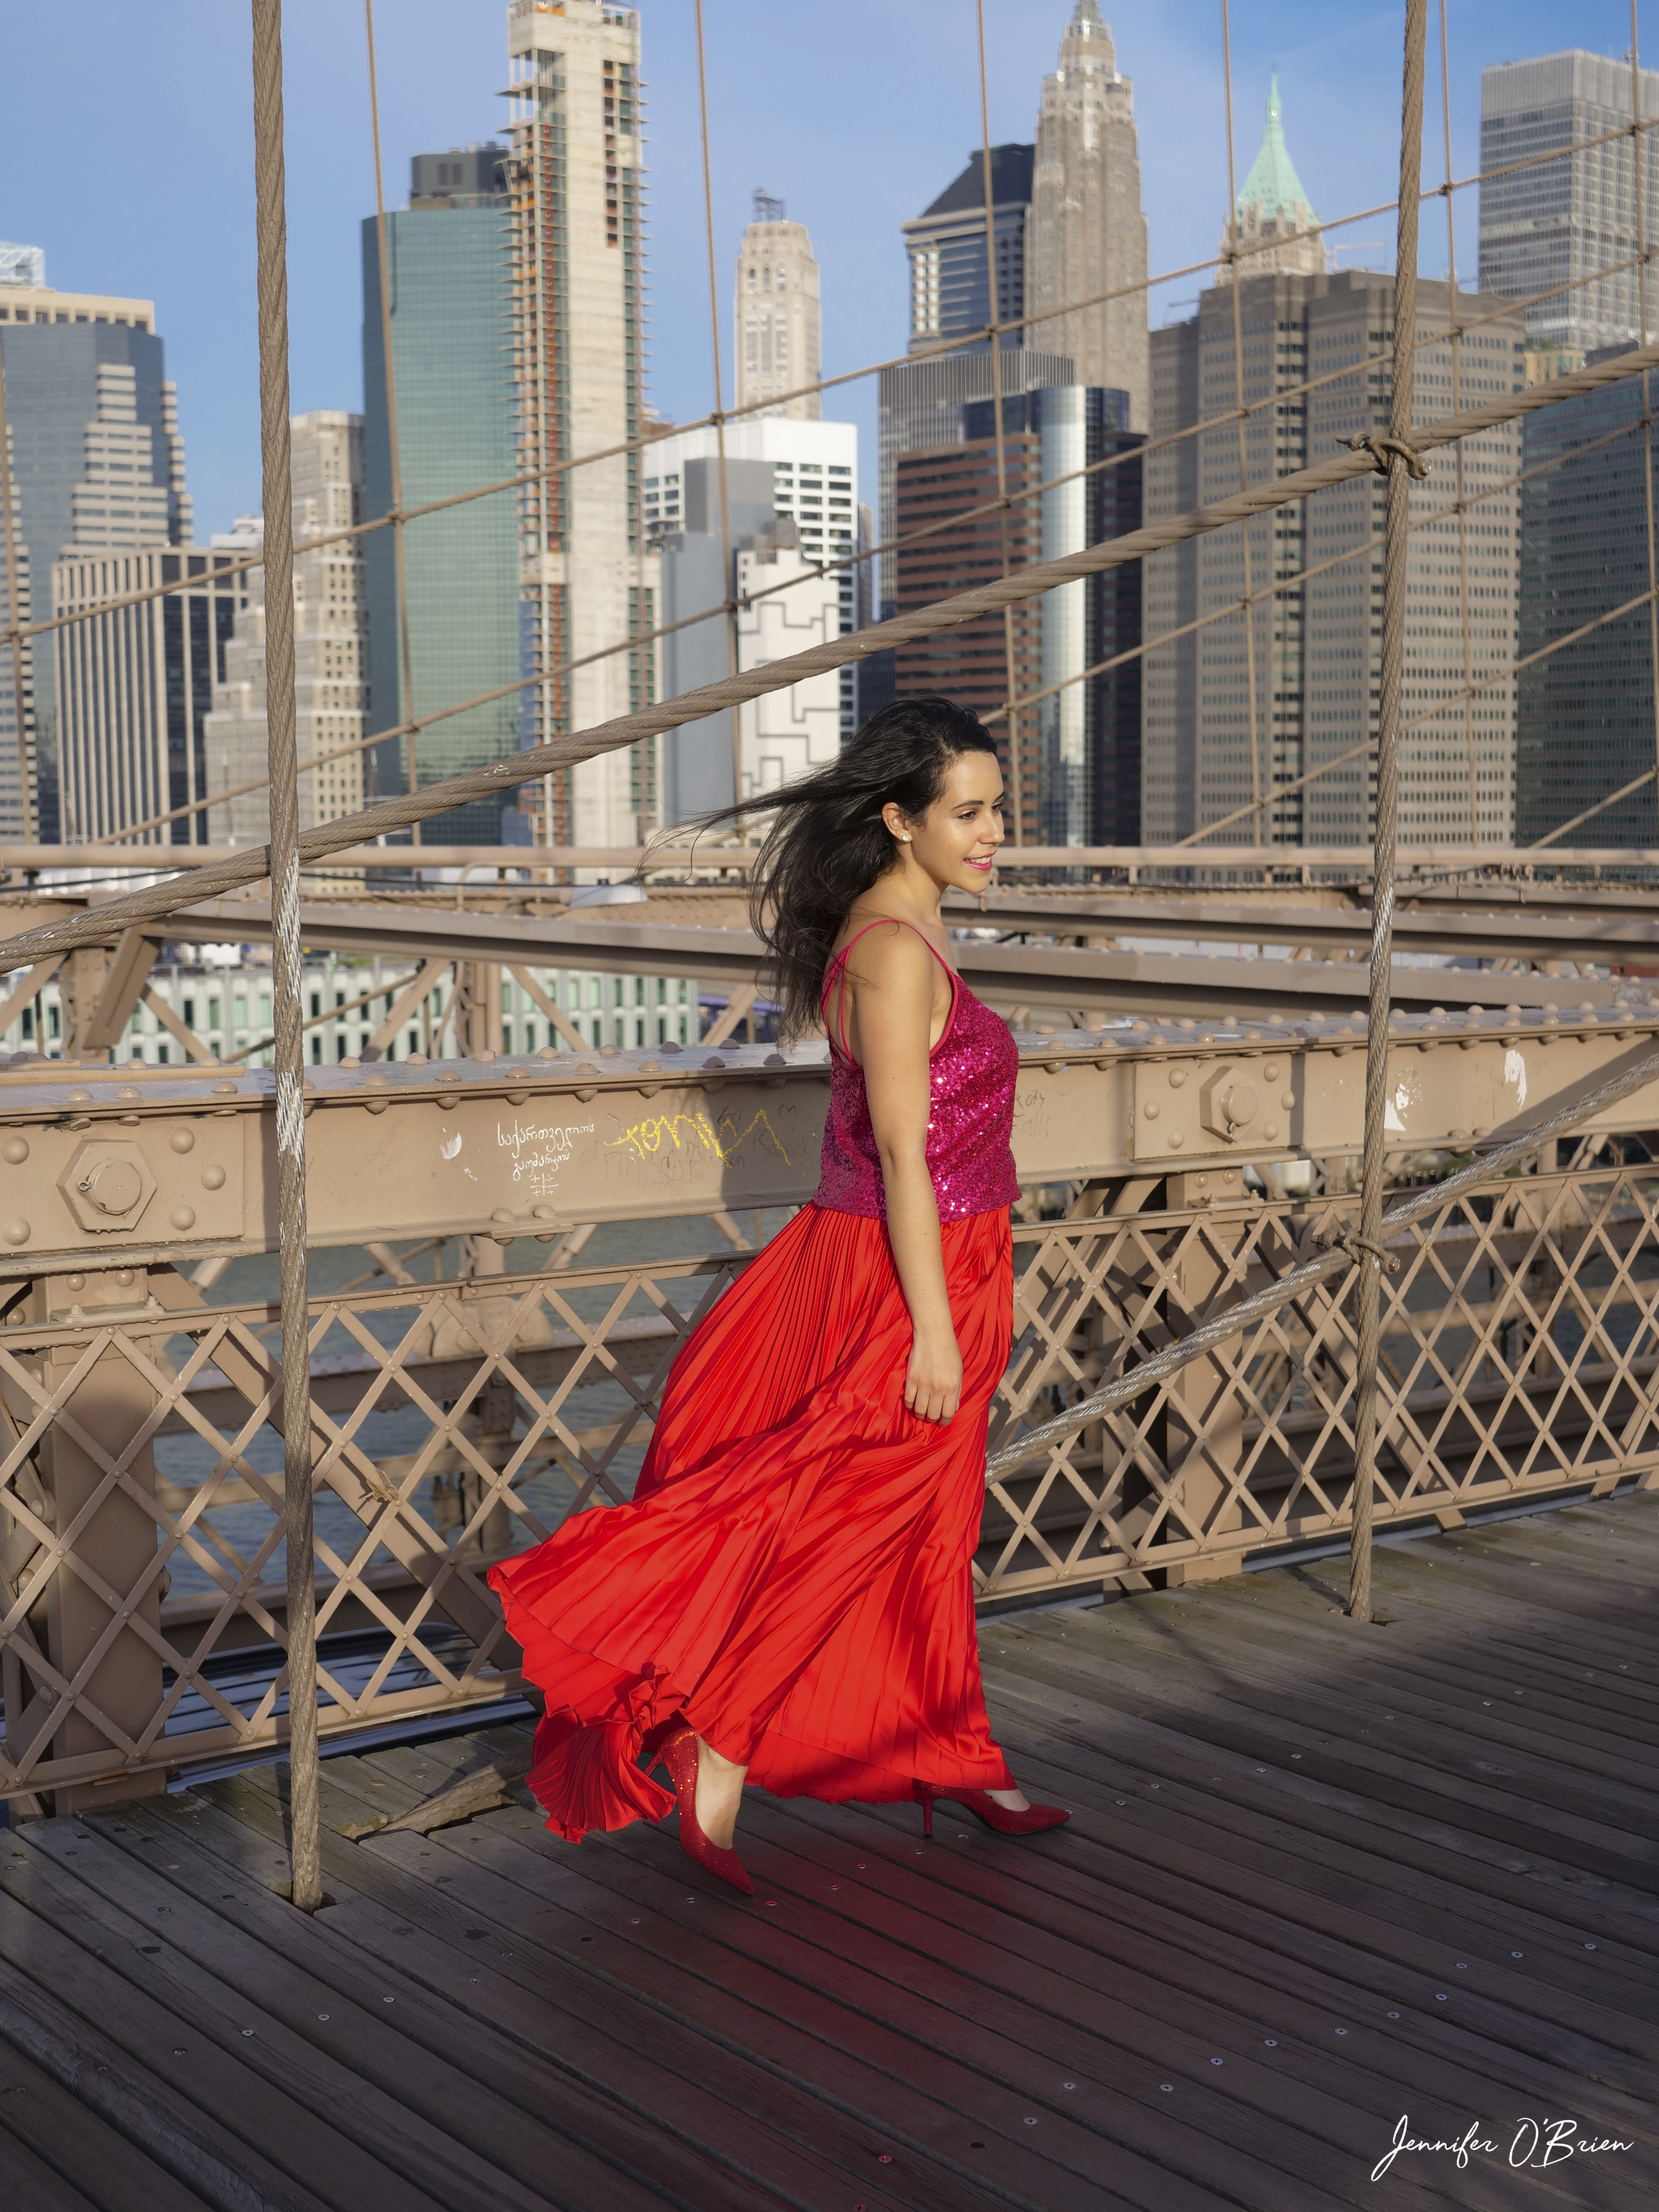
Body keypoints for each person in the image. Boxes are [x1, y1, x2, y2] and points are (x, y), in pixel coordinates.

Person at [489, 696, 1067, 1894]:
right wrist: (937, 1331)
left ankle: (954, 1751)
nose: (995, 829)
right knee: (852, 1525)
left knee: (929, 1527)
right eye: (969, 811)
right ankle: (723, 1745)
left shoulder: (893, 930)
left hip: (906, 1252)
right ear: (899, 821)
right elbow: (906, 1152)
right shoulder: (899, 952)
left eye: (998, 807)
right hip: (916, 1269)